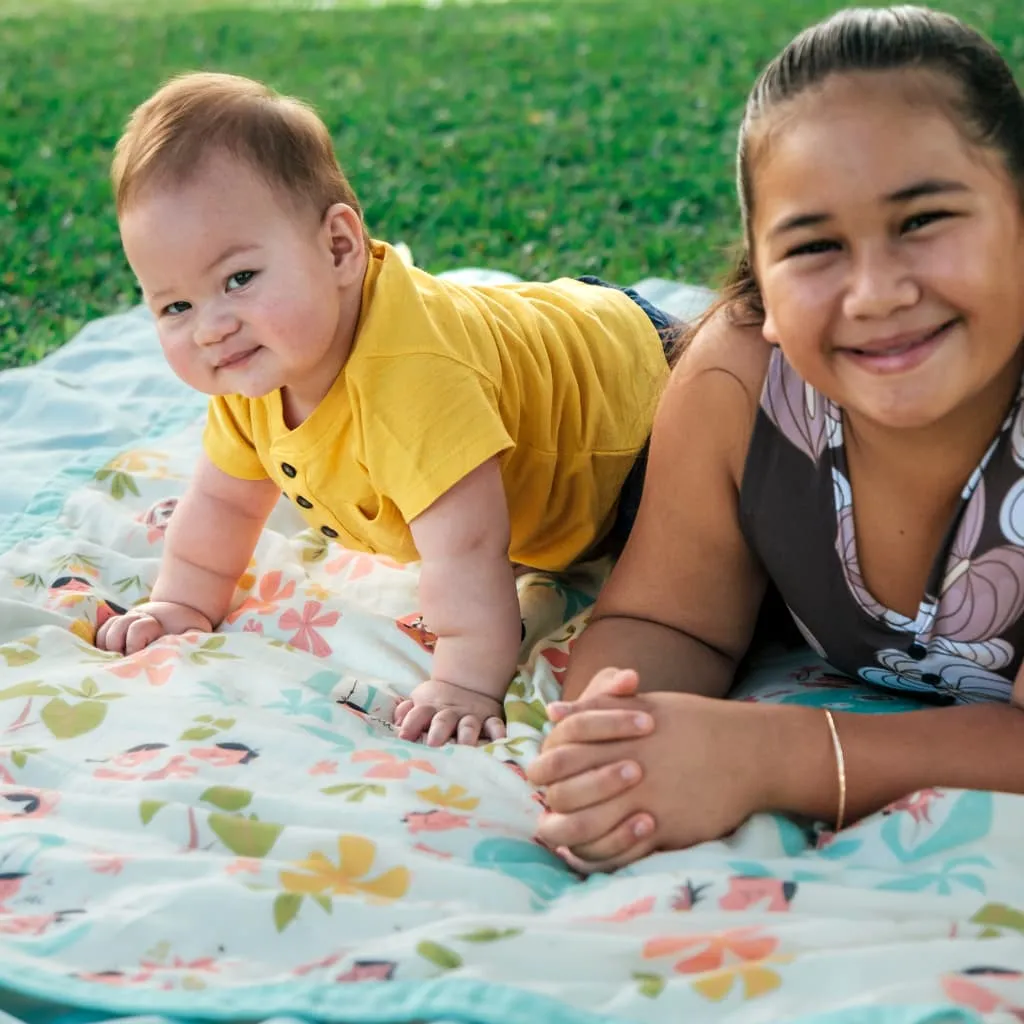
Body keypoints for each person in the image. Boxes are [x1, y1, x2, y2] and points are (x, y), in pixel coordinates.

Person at [528, 4, 1024, 872]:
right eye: (815, 246)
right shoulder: (742, 384)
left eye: (923, 221)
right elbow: (665, 618)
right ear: (760, 268)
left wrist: (767, 756)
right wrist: (624, 737)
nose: (874, 292)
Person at [96, 72, 674, 747]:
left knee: (714, 550)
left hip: (642, 418)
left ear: (340, 248)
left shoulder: (410, 378)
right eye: (175, 306)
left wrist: (463, 680)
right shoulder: (253, 368)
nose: (211, 328)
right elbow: (223, 503)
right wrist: (182, 601)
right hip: (572, 401)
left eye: (239, 279)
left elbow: (470, 546)